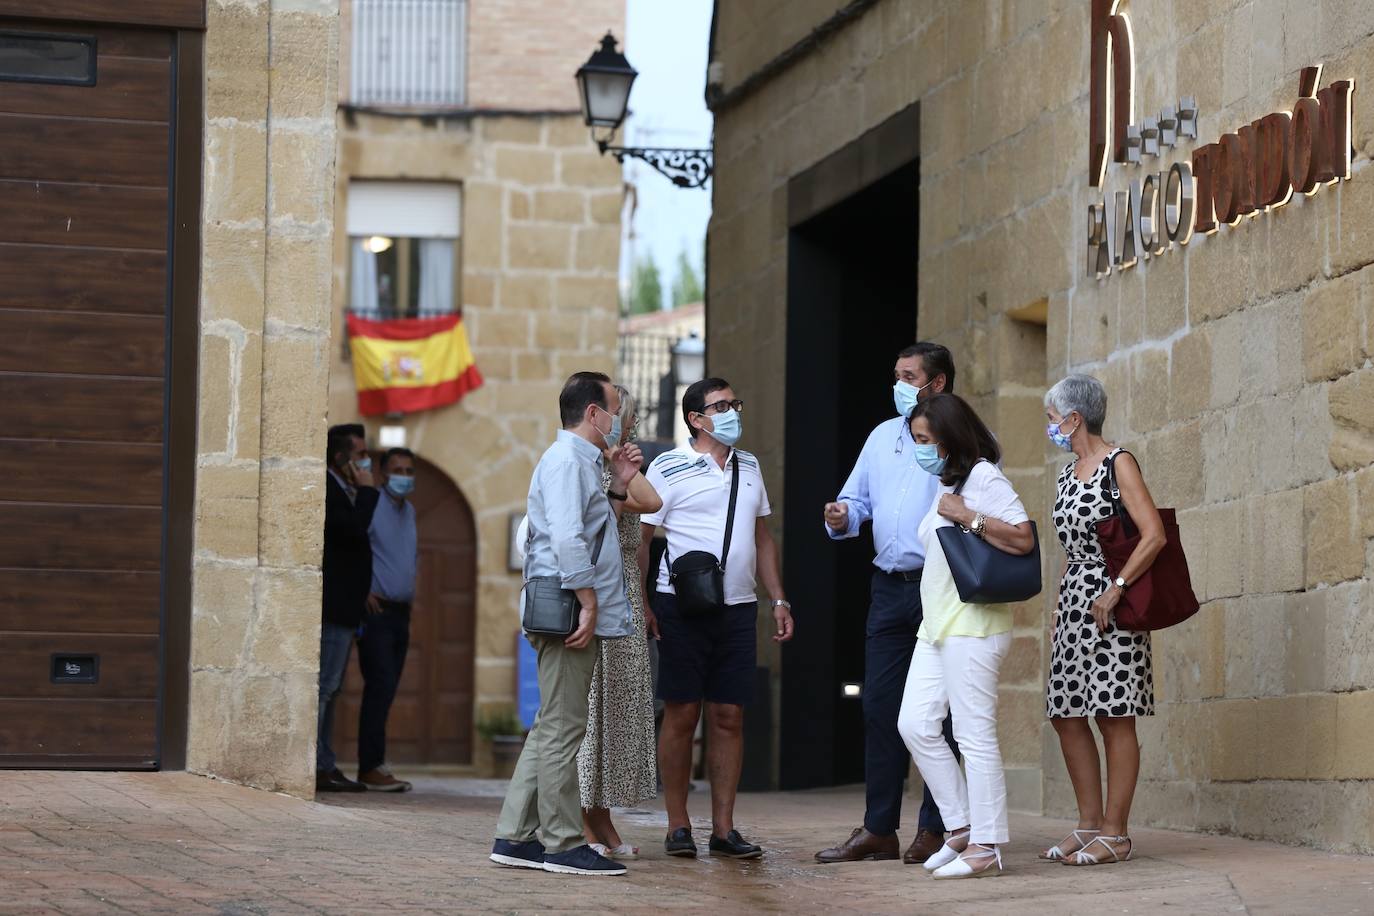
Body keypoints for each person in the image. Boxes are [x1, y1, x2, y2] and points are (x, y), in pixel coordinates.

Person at [815, 343, 963, 866]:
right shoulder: (881, 436)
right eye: (895, 374)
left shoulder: (959, 437)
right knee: (879, 708)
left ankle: (937, 828)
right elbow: (857, 502)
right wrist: (842, 517)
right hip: (887, 588)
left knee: (938, 715)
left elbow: (980, 501)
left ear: (937, 384)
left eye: (909, 376)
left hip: (939, 588)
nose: (898, 384)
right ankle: (879, 829)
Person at [490, 372, 643, 878]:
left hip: (569, 601)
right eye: (614, 408)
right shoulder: (564, 462)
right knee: (563, 728)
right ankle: (560, 842)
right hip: (567, 604)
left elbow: (594, 531)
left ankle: (515, 836)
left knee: (551, 725)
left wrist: (618, 486)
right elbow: (567, 538)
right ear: (594, 413)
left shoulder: (582, 462)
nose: (618, 417)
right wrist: (589, 602)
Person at [641, 377, 794, 860]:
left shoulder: (749, 465)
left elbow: (762, 536)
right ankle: (677, 824)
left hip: (738, 607)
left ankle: (724, 829)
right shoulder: (667, 465)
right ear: (696, 419)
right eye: (722, 405)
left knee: (729, 715)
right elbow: (644, 539)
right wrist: (641, 601)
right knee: (683, 712)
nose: (733, 411)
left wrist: (778, 598)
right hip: (680, 605)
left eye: (735, 402)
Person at [895, 394, 1035, 879]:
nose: (920, 450)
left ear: (952, 438)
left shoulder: (983, 478)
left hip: (973, 626)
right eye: (916, 440)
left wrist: (965, 516)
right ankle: (960, 826)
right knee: (914, 724)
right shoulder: (950, 482)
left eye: (925, 440)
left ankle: (988, 842)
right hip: (936, 626)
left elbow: (1023, 538)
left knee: (973, 735)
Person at [1041, 374, 1164, 866]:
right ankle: (1088, 824)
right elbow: (1071, 550)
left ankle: (1116, 832)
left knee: (1114, 712)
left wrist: (1117, 589)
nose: (1050, 426)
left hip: (1115, 600)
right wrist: (1058, 606)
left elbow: (1153, 535)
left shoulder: (1120, 462)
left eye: (1053, 418)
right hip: (1074, 602)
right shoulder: (1067, 474)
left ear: (1074, 418)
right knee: (1065, 711)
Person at [578, 386, 663, 858]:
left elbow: (651, 499)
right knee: (593, 710)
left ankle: (603, 816)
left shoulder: (623, 466)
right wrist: (618, 473)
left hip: (627, 590)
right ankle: (584, 820)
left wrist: (631, 466)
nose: (624, 425)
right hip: (602, 587)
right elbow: (641, 504)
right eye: (621, 418)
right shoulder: (590, 467)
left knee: (620, 707)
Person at [318, 423, 379, 793]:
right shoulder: (329, 488)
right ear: (340, 458)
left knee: (333, 687)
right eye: (359, 454)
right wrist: (370, 492)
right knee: (324, 687)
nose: (365, 461)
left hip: (345, 610)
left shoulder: (345, 488)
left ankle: (324, 761)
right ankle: (316, 764)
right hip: (333, 607)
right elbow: (353, 531)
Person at [356, 447, 419, 792]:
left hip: (400, 614)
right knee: (378, 686)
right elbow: (355, 548)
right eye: (397, 470)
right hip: (376, 612)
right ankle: (370, 766)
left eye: (409, 471)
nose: (404, 477)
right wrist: (361, 589)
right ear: (381, 473)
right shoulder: (371, 503)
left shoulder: (408, 510)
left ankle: (375, 763)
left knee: (389, 687)